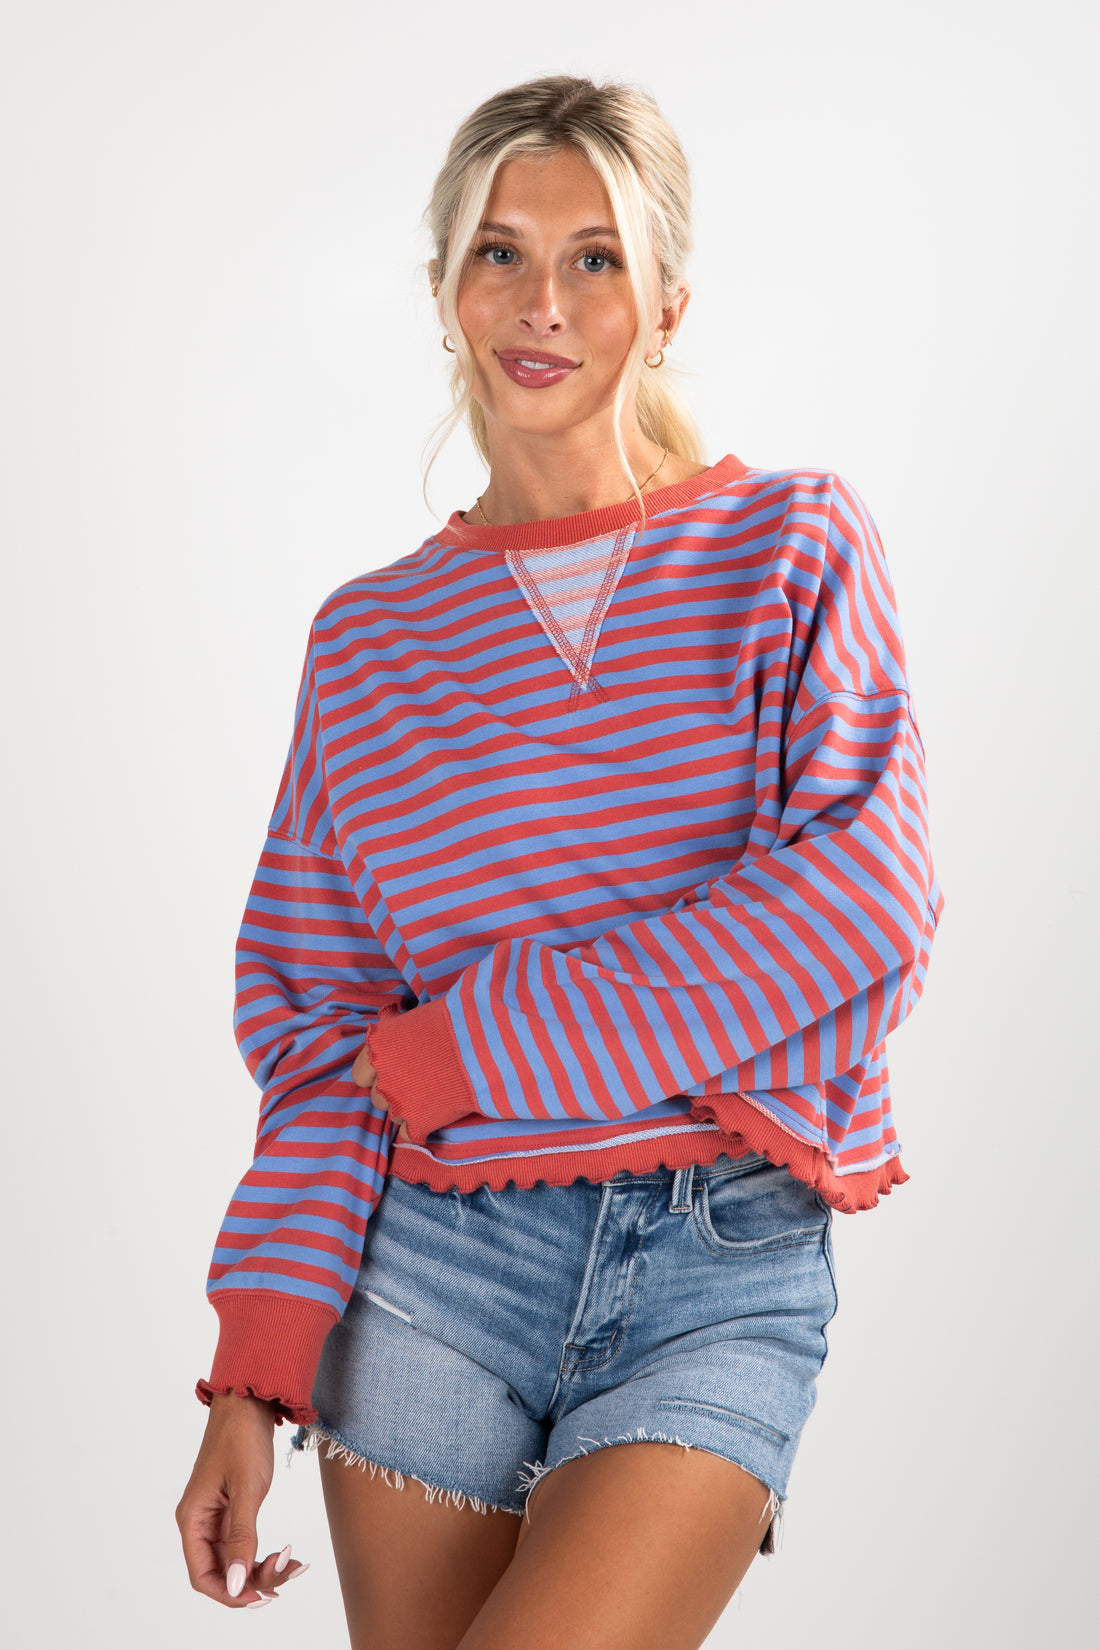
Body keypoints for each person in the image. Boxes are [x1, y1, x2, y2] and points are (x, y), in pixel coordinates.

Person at [176, 73, 943, 1650]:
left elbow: (866, 908)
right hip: (426, 1274)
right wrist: (255, 1367)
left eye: (596, 256)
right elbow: (325, 1044)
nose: (543, 301)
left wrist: (470, 1040)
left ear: (667, 302)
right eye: (499, 252)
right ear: (446, 293)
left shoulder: (790, 551)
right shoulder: (367, 642)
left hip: (716, 1265)